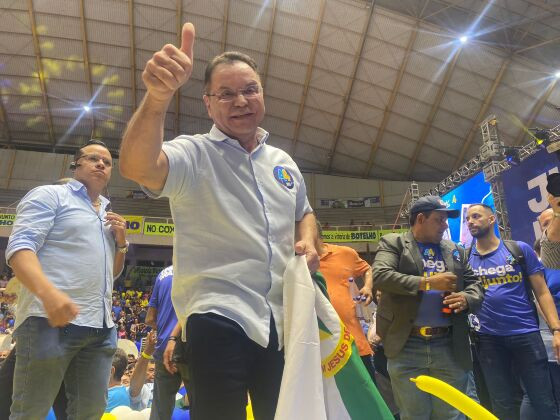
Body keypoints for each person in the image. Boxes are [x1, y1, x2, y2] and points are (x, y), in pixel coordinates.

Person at [119, 22, 319, 419]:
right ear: (208, 104)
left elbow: (305, 213)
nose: (241, 100)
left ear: (262, 94)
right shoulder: (194, 154)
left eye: (249, 89)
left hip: (282, 318)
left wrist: (309, 241)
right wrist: (158, 97)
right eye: (226, 94)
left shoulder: (283, 163)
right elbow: (136, 165)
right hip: (217, 314)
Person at [5, 139, 129, 419]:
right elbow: (19, 248)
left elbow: (112, 275)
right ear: (76, 164)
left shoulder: (106, 215)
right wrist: (49, 294)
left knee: (90, 412)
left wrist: (121, 244)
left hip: (100, 327)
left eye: (107, 162)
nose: (101, 164)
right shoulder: (51, 195)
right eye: (93, 158)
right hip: (48, 322)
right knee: (30, 412)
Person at [372, 195, 484, 420]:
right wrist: (428, 283)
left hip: (449, 345)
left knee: (452, 413)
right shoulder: (393, 243)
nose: (445, 226)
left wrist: (466, 298)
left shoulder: (455, 250)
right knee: (414, 415)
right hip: (406, 346)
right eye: (439, 220)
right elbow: (381, 276)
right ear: (420, 219)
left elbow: (476, 286)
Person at [466, 203, 560, 419]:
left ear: (491, 220)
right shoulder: (465, 259)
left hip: (526, 335)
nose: (471, 221)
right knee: (502, 404)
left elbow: (542, 292)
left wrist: (556, 330)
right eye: (468, 218)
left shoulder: (518, 250)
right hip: (488, 341)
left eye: (476, 216)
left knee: (543, 400)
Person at [314, 221, 376, 381]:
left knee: (366, 398)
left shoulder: (345, 253)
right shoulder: (295, 261)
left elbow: (367, 269)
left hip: (353, 343)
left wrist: (368, 287)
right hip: (316, 349)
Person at [146, 265, 189, 420]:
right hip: (190, 345)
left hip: (164, 348)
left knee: (160, 411)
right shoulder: (199, 268)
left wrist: (166, 329)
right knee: (201, 405)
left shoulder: (162, 274)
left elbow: (149, 318)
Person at [541, 194, 560, 268]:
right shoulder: (547, 247)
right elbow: (553, 234)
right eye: (546, 224)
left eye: (553, 220)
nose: (551, 225)